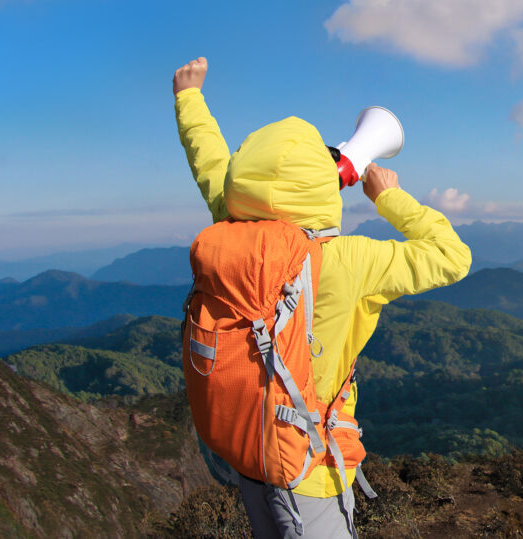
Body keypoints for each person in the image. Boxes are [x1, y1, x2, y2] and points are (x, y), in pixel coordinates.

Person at [171, 56, 472, 538]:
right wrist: (388, 197)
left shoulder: (229, 228)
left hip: (251, 450)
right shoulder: (349, 260)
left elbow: (210, 165)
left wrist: (189, 99)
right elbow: (452, 256)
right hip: (307, 469)